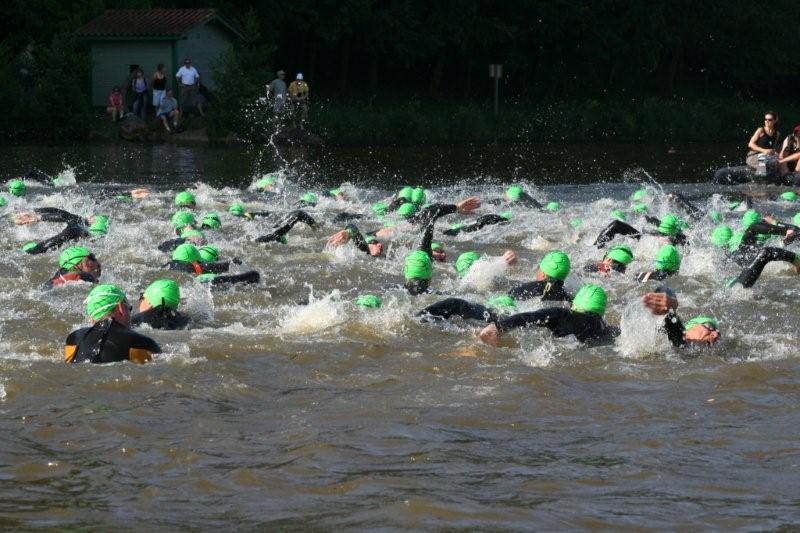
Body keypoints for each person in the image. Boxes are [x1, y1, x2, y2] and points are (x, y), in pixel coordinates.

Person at [479, 284, 618, 346]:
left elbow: (528, 317)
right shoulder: (607, 330)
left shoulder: (562, 314)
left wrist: (497, 327)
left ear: (576, 303)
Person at [65, 284, 160, 364]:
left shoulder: (74, 339)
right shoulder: (142, 342)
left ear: (91, 316)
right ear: (121, 308)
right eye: (129, 308)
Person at [508, 250, 572, 302]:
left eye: (539, 268)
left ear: (543, 275)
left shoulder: (525, 289)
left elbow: (507, 299)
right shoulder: (565, 296)